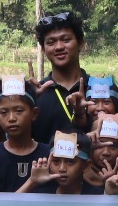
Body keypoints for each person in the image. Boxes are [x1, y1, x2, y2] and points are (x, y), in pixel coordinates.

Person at [32, 11, 90, 143]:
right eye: (51, 42)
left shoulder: (100, 90)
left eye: (66, 40)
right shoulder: (37, 94)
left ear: (81, 43)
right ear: (43, 49)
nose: (58, 47)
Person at [19, 133, 105, 195]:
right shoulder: (42, 194)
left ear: (86, 165)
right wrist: (32, 181)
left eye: (70, 162)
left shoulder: (96, 196)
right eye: (56, 162)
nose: (62, 168)